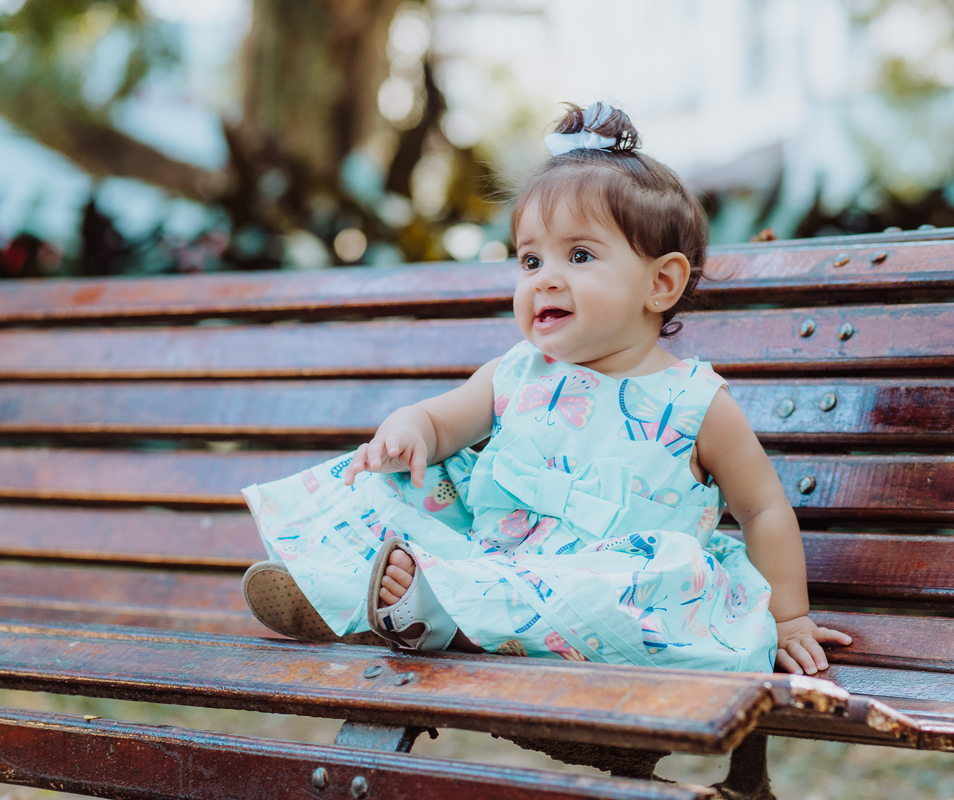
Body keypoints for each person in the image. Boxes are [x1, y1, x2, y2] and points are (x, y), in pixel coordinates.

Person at [241, 101, 851, 674]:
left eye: (579, 256)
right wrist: (408, 429)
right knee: (402, 474)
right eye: (531, 260)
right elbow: (440, 422)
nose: (545, 279)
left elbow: (763, 508)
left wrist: (789, 618)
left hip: (608, 591)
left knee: (659, 569)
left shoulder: (695, 401)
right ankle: (348, 588)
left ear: (660, 284)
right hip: (495, 562)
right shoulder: (515, 373)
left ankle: (427, 611)